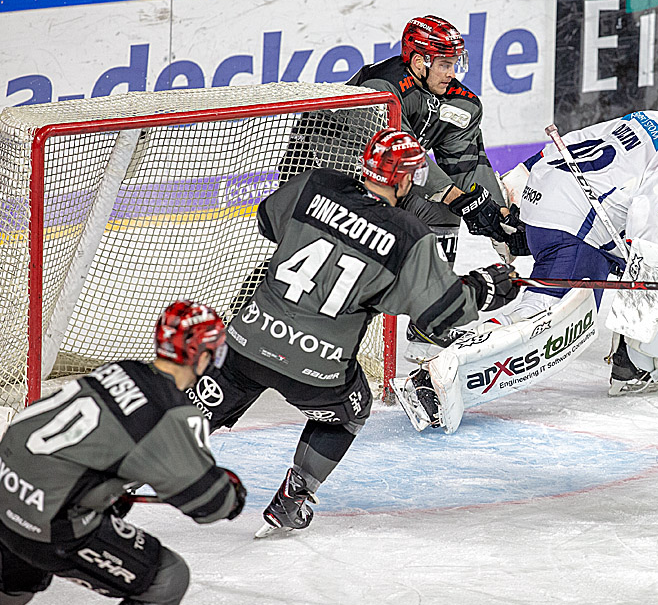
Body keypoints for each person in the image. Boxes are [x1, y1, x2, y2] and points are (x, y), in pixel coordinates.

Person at [193, 128, 519, 536]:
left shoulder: (317, 183)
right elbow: (441, 317)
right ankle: (294, 497)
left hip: (247, 340)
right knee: (350, 410)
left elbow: (267, 223)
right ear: (402, 180)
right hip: (316, 368)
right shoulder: (408, 234)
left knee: (200, 405)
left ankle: (124, 466)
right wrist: (485, 286)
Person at [399, 110, 658, 434]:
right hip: (579, 226)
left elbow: (565, 146)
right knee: (543, 323)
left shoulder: (655, 122)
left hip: (545, 199)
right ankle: (441, 372)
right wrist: (643, 301)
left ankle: (631, 359)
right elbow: (654, 213)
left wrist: (514, 204)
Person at [0, 301, 246, 605]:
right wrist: (230, 494)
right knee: (169, 579)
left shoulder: (122, 369)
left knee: (9, 592)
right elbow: (208, 502)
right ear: (202, 355)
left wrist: (99, 493)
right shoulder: (170, 412)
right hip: (45, 520)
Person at [347, 14, 528, 356]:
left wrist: (496, 213)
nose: (452, 72)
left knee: (441, 211)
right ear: (418, 61)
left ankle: (433, 318)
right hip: (331, 180)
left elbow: (466, 163)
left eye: (455, 63)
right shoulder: (381, 90)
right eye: (445, 64)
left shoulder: (458, 101)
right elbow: (400, 155)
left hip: (386, 186)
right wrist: (459, 196)